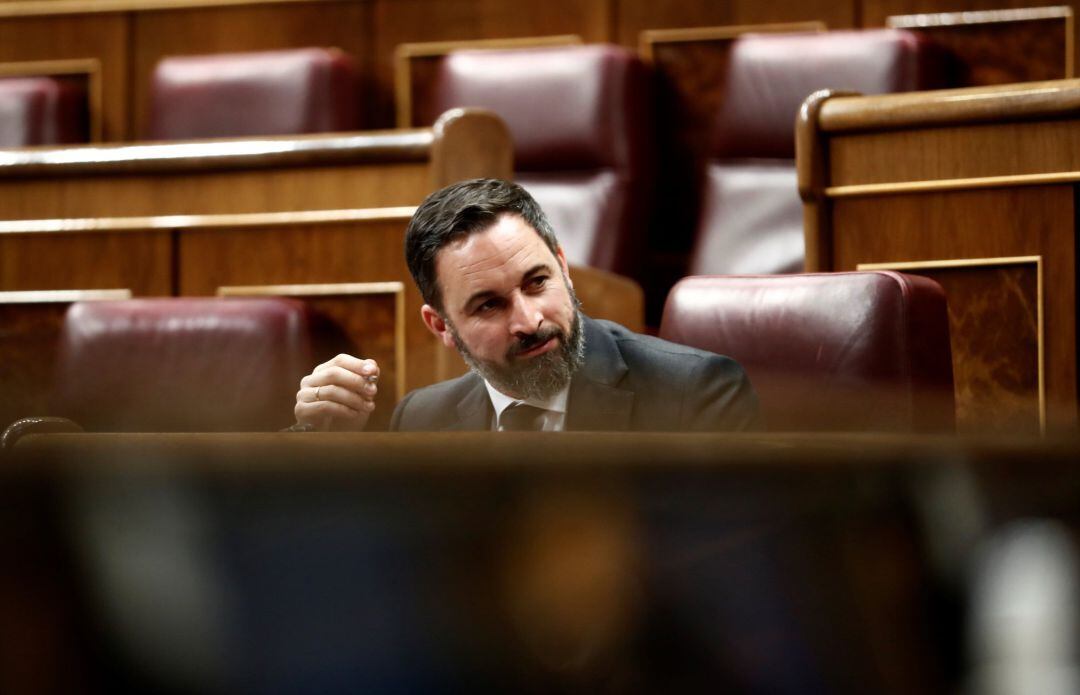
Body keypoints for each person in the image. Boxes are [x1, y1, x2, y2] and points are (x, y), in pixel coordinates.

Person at [292, 178, 760, 432]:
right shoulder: (421, 420)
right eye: (489, 306)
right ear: (441, 327)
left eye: (537, 282)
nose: (529, 320)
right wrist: (319, 436)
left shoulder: (693, 395)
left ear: (563, 266)